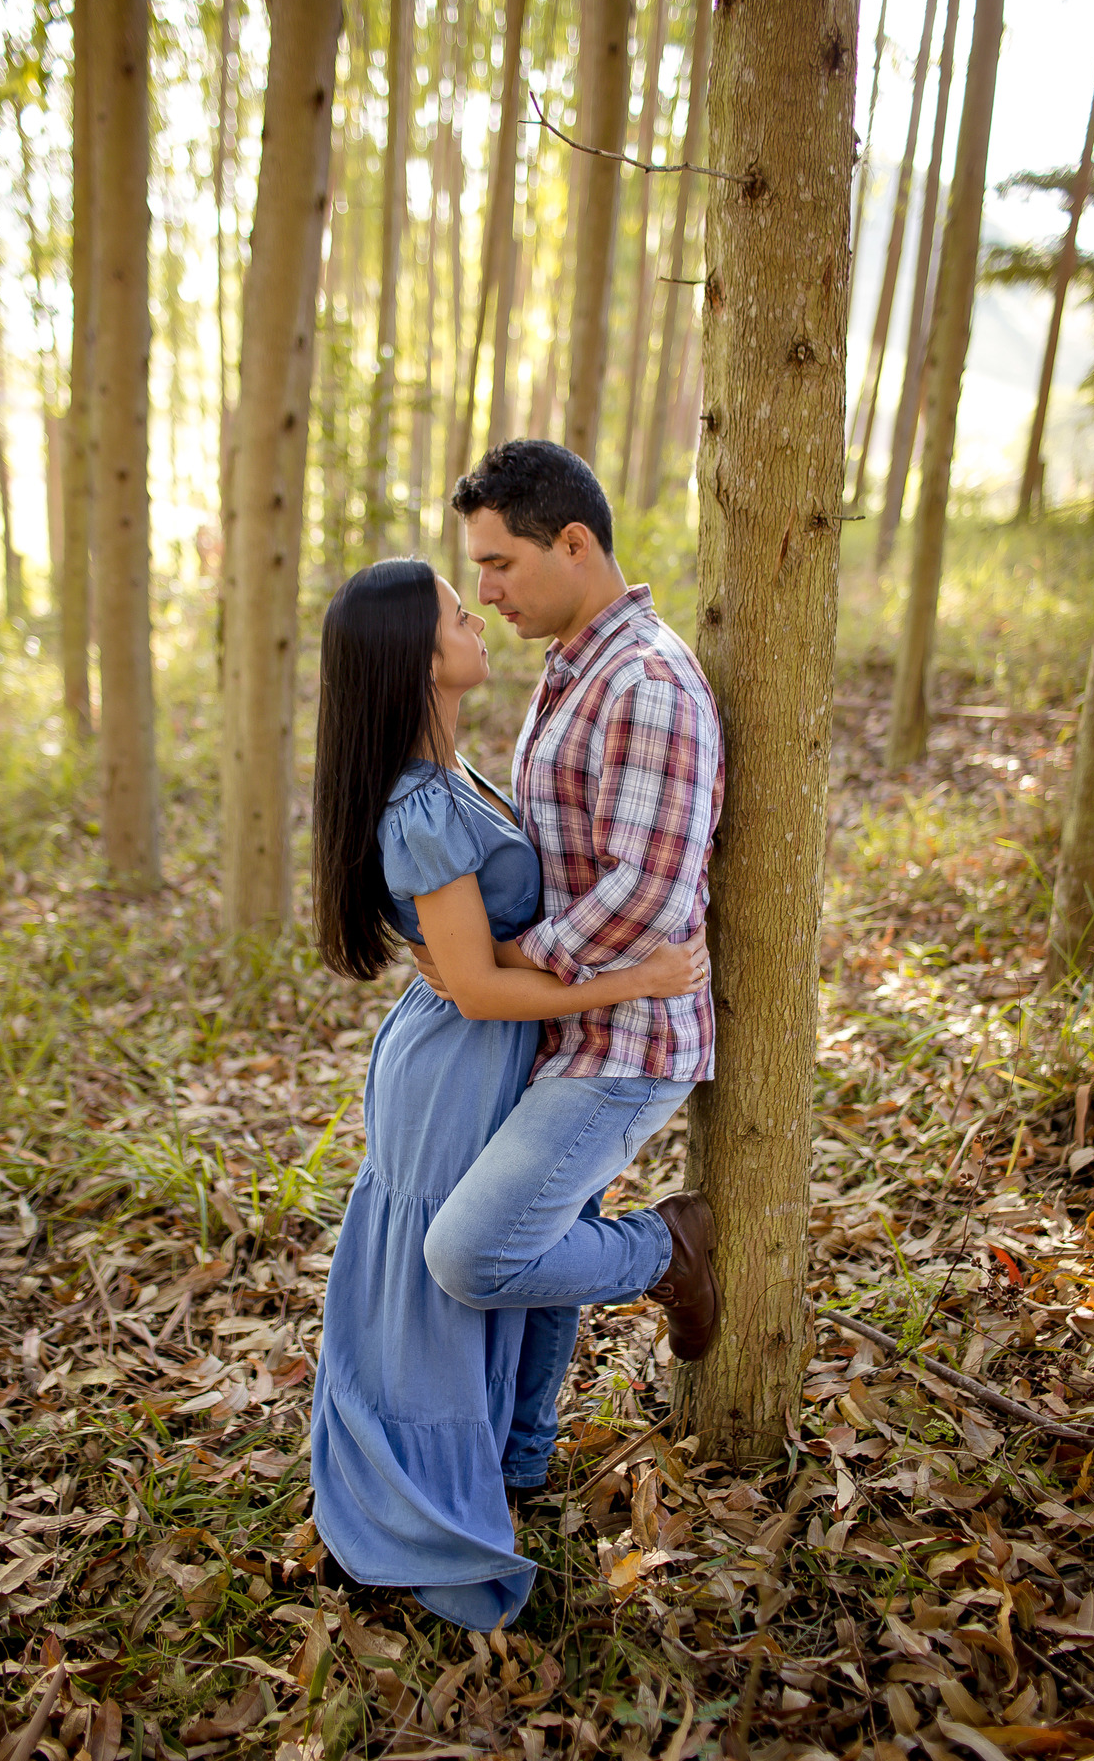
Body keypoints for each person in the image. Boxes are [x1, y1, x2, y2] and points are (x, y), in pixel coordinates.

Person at [308, 557, 707, 1631]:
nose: (477, 616)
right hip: (456, 1062)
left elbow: (487, 960)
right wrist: (638, 979)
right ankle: (422, 1507)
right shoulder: (421, 806)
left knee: (511, 1248)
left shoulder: (453, 775)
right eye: (455, 612)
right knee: (450, 1280)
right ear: (415, 658)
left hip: (479, 1050)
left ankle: (503, 1465)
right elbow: (479, 988)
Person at [414, 438, 725, 1508]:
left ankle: (666, 1251)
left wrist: (504, 959)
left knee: (473, 1254)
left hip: (628, 1044)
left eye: (500, 564)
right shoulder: (575, 665)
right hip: (571, 1025)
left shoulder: (646, 680)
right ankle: (521, 1464)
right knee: (542, 1243)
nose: (488, 590)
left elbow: (648, 893)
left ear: (576, 542)